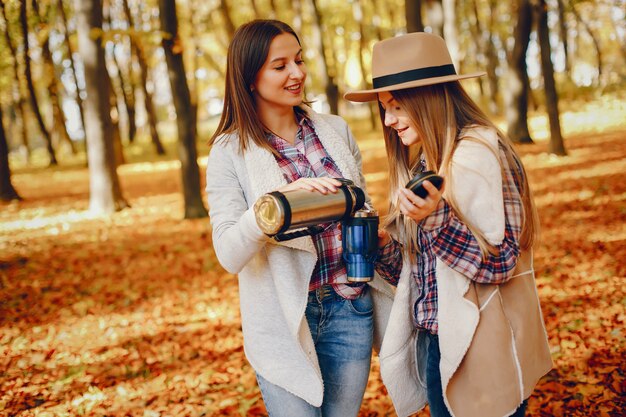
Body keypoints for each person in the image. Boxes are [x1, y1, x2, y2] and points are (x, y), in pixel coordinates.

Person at [344, 32, 552, 417]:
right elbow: (424, 273)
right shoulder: (427, 163)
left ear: (426, 100)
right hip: (438, 339)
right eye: (384, 109)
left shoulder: (479, 154)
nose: (388, 121)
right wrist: (385, 244)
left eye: (396, 107)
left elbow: (502, 263)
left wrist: (436, 220)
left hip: (482, 342)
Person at [206, 19, 376, 417]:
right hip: (283, 322)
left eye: (298, 60)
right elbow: (229, 253)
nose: (297, 73)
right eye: (280, 66)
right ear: (250, 77)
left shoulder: (335, 130)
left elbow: (362, 208)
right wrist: (274, 205)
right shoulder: (229, 152)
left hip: (349, 306)